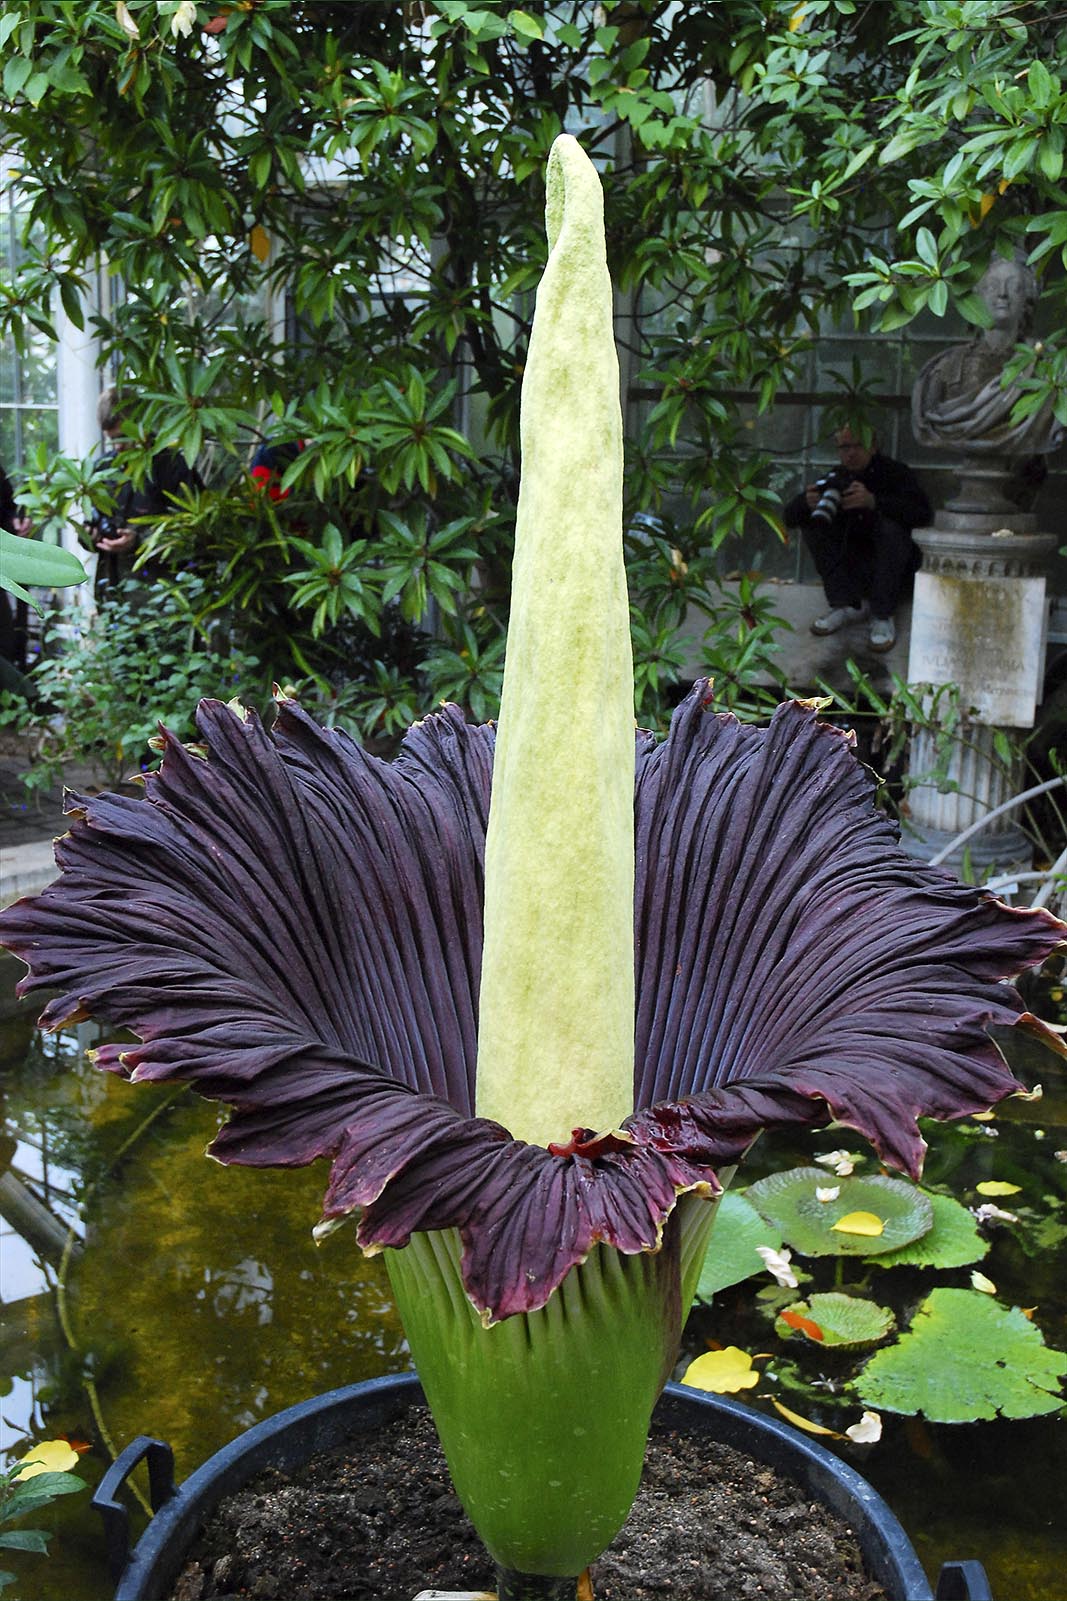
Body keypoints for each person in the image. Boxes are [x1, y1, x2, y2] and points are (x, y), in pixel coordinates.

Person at [783, 425, 932, 654]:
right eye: (844, 447)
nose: (851, 453)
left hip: (895, 572)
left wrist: (874, 502)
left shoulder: (895, 473)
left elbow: (923, 514)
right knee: (814, 524)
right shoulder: (836, 477)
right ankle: (843, 605)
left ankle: (882, 615)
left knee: (890, 528)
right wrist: (807, 502)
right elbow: (789, 518)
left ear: (873, 447)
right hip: (853, 568)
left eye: (857, 446)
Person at [912, 255, 1064, 457]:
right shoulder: (944, 368)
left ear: (1027, 299)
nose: (1002, 294)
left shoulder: (1048, 368)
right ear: (978, 296)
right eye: (993, 286)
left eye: (1014, 286)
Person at [88, 386, 201, 602]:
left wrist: (139, 541)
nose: (118, 447)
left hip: (162, 598)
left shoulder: (173, 465)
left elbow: (193, 533)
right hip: (113, 594)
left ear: (142, 424)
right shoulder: (103, 468)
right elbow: (93, 520)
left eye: (123, 437)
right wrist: (91, 536)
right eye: (111, 440)